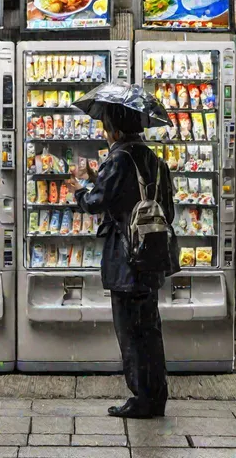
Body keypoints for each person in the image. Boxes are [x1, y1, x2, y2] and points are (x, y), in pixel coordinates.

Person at [67, 105, 171, 419]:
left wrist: (80, 189)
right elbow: (166, 207)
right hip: (151, 253)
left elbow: (98, 202)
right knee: (150, 330)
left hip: (127, 258)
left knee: (130, 333)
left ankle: (141, 399)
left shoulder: (119, 157)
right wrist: (101, 179)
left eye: (105, 124)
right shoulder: (153, 159)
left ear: (114, 128)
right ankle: (156, 395)